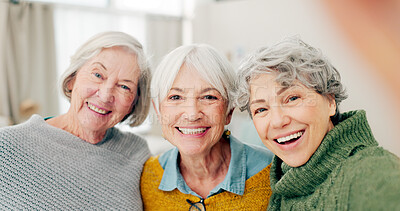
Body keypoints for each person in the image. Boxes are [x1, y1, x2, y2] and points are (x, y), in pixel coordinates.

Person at [236, 36, 400, 210]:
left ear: (330, 101)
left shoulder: (373, 174)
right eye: (261, 109)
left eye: (292, 98)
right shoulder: (281, 185)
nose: (277, 121)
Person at [0, 31, 151, 210]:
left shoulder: (136, 152)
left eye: (124, 86)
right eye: (97, 75)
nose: (105, 96)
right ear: (72, 79)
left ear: (133, 103)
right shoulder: (6, 145)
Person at [140, 44, 274, 210]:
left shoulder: (273, 172)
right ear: (158, 110)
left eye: (209, 97)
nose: (192, 114)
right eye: (175, 97)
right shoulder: (147, 177)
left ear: (229, 111)